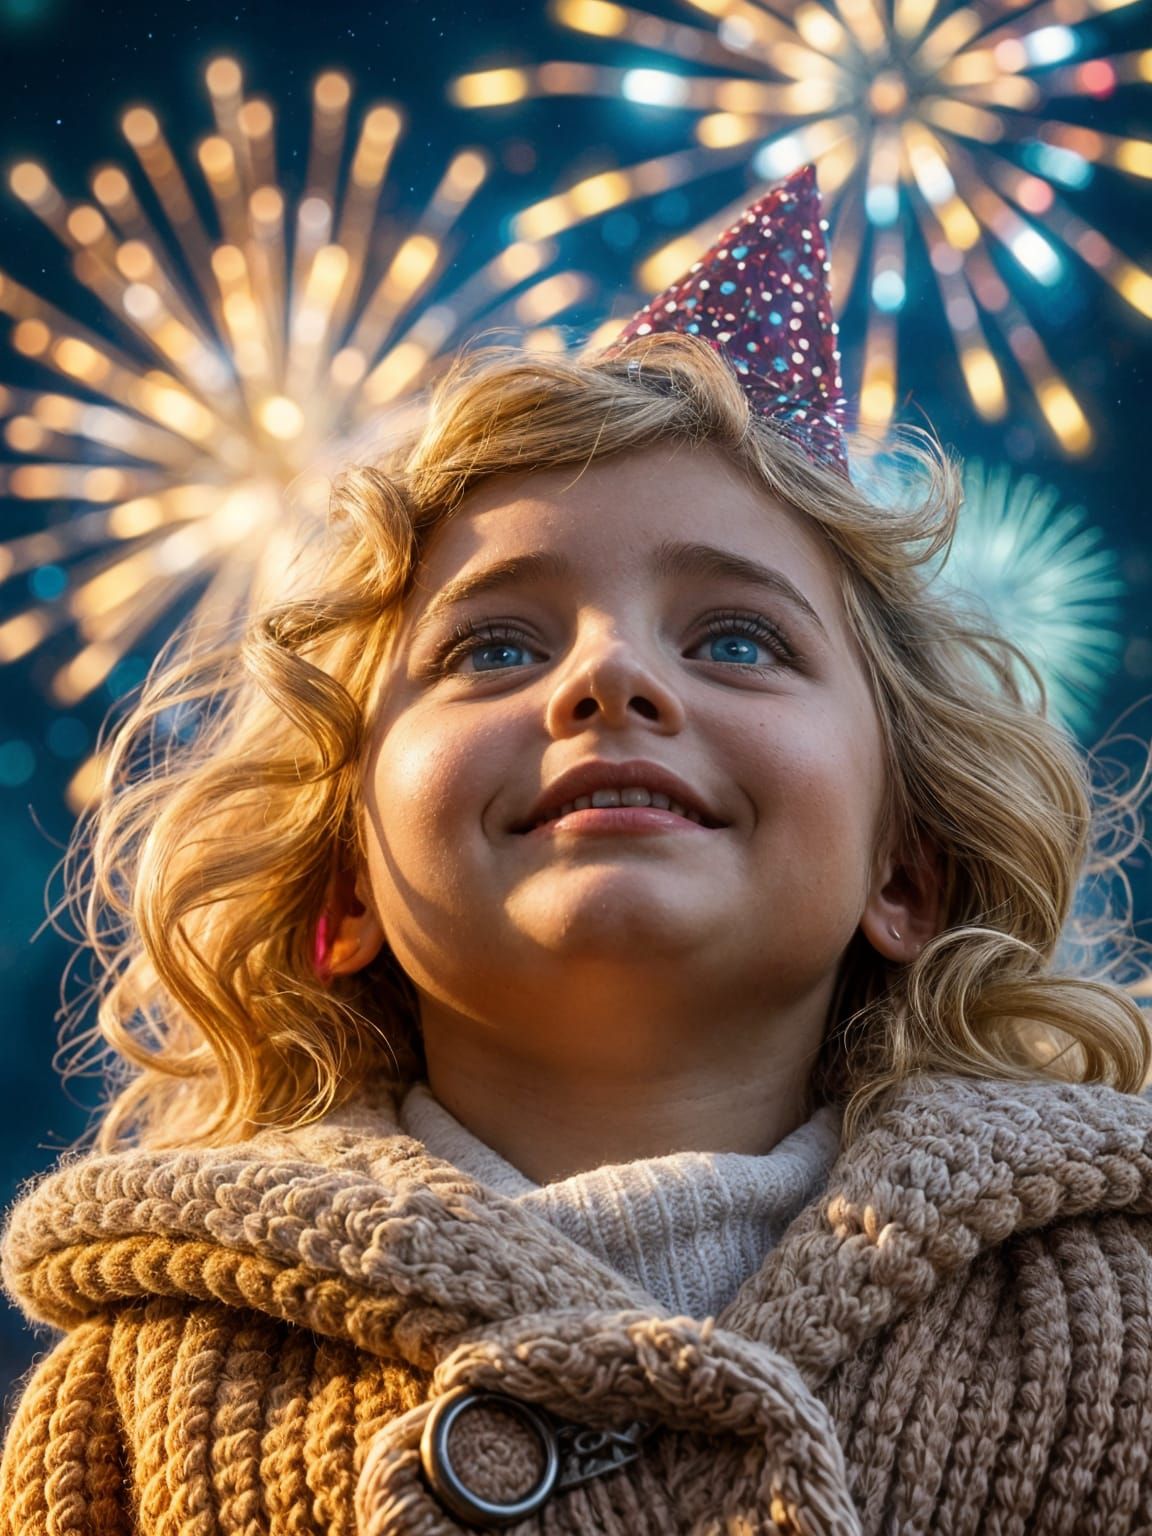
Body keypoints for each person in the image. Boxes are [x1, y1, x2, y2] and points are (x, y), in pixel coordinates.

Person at [2, 165, 1152, 1536]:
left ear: (906, 873)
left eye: (737, 638)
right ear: (345, 883)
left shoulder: (1119, 1330)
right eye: (494, 647)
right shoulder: (139, 1400)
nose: (606, 679)